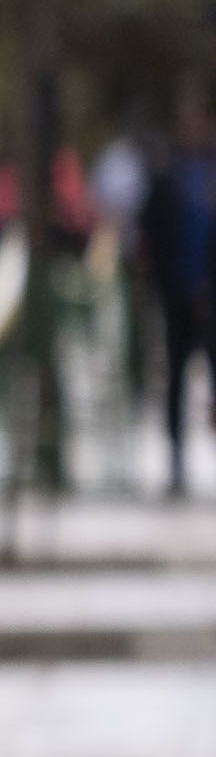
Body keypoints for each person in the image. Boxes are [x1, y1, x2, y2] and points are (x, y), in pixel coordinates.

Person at [144, 89, 216, 496]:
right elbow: (150, 231)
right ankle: (175, 463)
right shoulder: (167, 174)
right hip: (176, 293)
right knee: (175, 379)